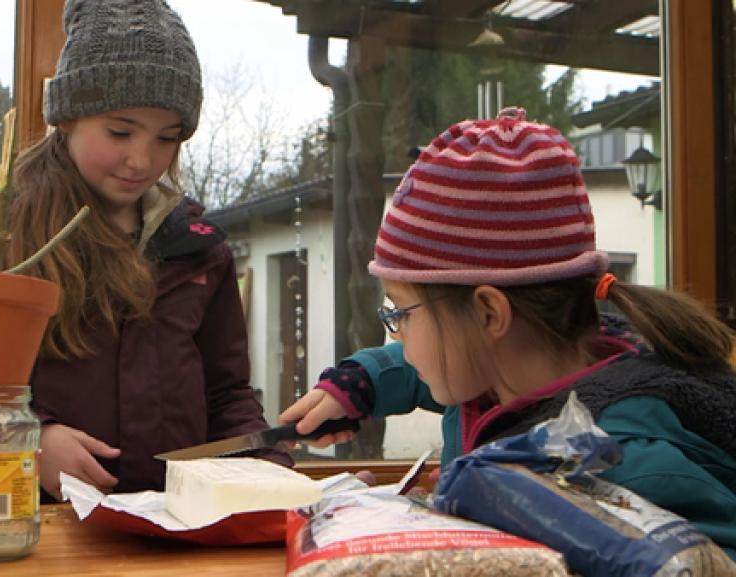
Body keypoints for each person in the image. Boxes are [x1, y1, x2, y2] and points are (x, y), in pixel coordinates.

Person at [280, 107, 736, 559]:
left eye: (402, 312)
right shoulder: (499, 378)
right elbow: (428, 366)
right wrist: (365, 381)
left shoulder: (621, 464)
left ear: (488, 314)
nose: (398, 335)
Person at [0, 0, 280, 498]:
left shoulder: (198, 249)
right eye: (120, 131)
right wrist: (27, 442)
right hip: (30, 527)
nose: (142, 159)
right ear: (68, 115)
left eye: (167, 138)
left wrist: (271, 474)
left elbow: (228, 397)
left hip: (173, 534)